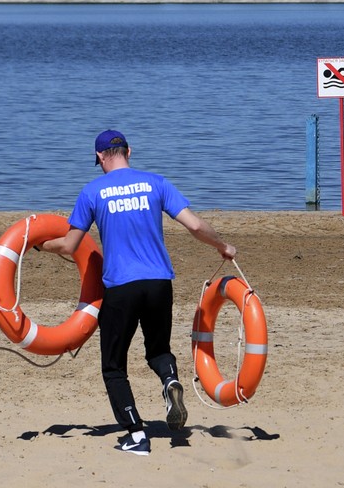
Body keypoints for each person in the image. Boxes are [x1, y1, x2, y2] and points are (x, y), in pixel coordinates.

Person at [39, 129, 236, 456]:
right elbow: (196, 226)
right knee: (157, 350)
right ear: (128, 151)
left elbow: (69, 244)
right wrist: (223, 246)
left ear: (100, 157)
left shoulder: (92, 191)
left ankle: (136, 435)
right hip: (160, 283)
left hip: (121, 288)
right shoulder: (156, 183)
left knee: (114, 366)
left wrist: (39, 245)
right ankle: (170, 380)